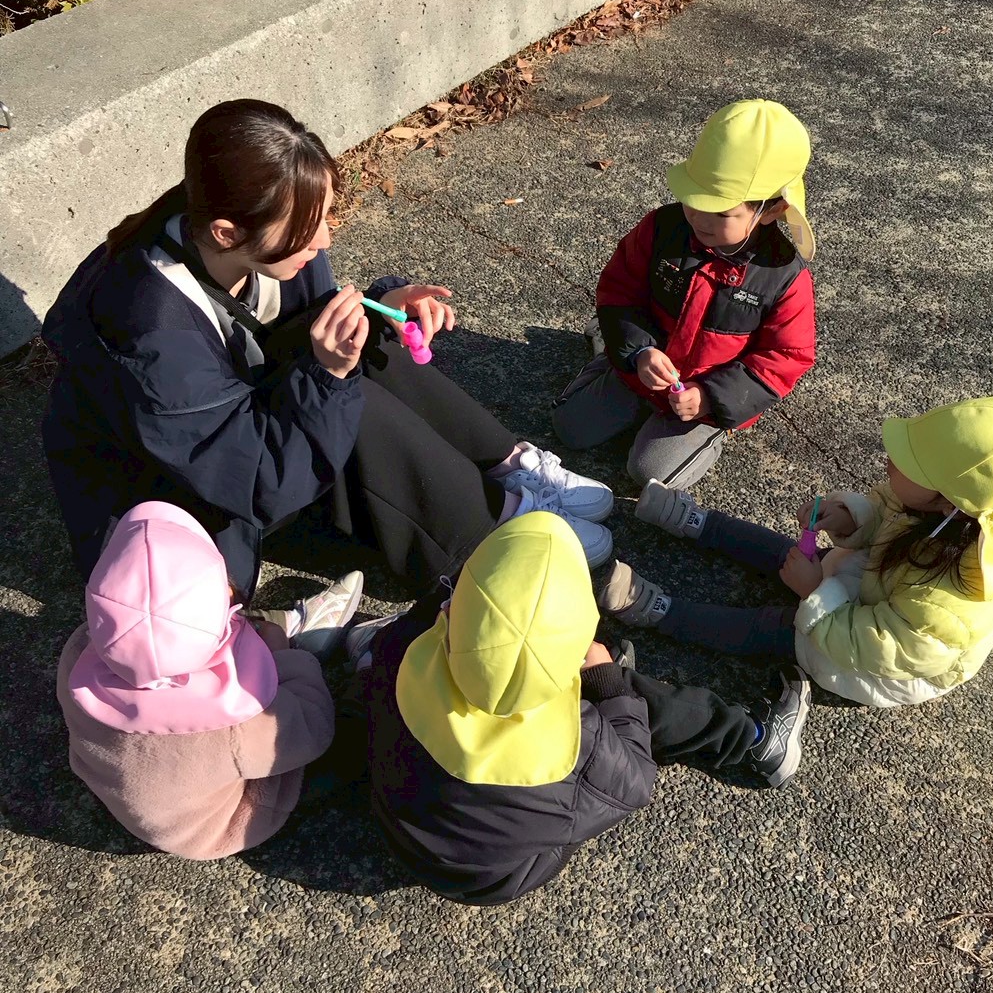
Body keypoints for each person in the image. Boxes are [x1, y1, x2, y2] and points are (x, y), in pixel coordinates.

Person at [41, 99, 614, 601]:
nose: (324, 240)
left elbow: (302, 325)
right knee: (342, 390)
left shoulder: (253, 228)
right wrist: (327, 376)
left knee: (359, 348)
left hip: (237, 432)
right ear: (225, 232)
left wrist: (386, 307)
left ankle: (508, 467)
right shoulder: (149, 332)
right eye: (308, 229)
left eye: (326, 217)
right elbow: (259, 480)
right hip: (187, 492)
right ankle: (487, 535)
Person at [351, 512, 810, 906]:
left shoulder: (403, 649)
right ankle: (754, 740)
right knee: (627, 695)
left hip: (399, 828)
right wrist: (605, 683)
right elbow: (634, 781)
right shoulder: (579, 751)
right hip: (493, 875)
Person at [598, 397, 993, 709]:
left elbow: (879, 647)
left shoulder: (952, 601)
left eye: (911, 462)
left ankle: (659, 610)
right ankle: (698, 523)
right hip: (880, 592)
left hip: (880, 661)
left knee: (775, 627)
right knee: (792, 553)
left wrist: (817, 594)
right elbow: (884, 510)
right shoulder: (941, 508)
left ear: (951, 501)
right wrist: (848, 517)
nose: (891, 460)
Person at [55, 501, 359, 859]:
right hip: (207, 828)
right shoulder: (237, 722)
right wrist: (285, 657)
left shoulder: (78, 651)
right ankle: (327, 645)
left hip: (121, 789)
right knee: (350, 743)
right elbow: (314, 726)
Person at [552, 99, 817, 489]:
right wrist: (638, 351)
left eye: (721, 212)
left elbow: (787, 356)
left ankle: (708, 432)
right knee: (569, 429)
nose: (699, 219)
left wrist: (710, 399)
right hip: (642, 370)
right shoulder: (663, 228)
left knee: (651, 474)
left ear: (773, 209)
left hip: (701, 401)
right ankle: (609, 356)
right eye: (694, 200)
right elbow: (619, 288)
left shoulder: (782, 277)